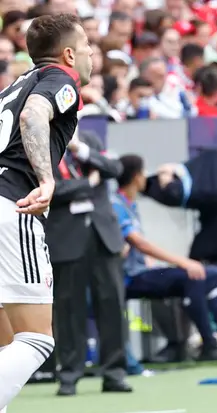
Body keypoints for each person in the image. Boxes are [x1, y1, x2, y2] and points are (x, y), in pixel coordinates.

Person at [0, 14, 93, 413]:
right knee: (38, 340)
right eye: (87, 46)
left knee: (5, 344)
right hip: (13, 207)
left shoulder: (15, 85)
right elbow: (34, 116)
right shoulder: (61, 80)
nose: (92, 55)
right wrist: (47, 178)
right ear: (70, 52)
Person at [112, 154, 217, 362]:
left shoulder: (131, 203)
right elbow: (140, 243)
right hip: (127, 277)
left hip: (141, 270)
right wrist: (183, 261)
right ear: (137, 177)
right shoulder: (116, 203)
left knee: (216, 275)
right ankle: (206, 345)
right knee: (193, 275)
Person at [49, 126, 132, 396]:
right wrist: (89, 184)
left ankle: (114, 372)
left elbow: (114, 168)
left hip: (103, 234)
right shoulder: (39, 144)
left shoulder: (89, 139)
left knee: (112, 304)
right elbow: (50, 189)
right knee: (68, 310)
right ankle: (70, 375)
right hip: (67, 237)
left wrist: (81, 150)